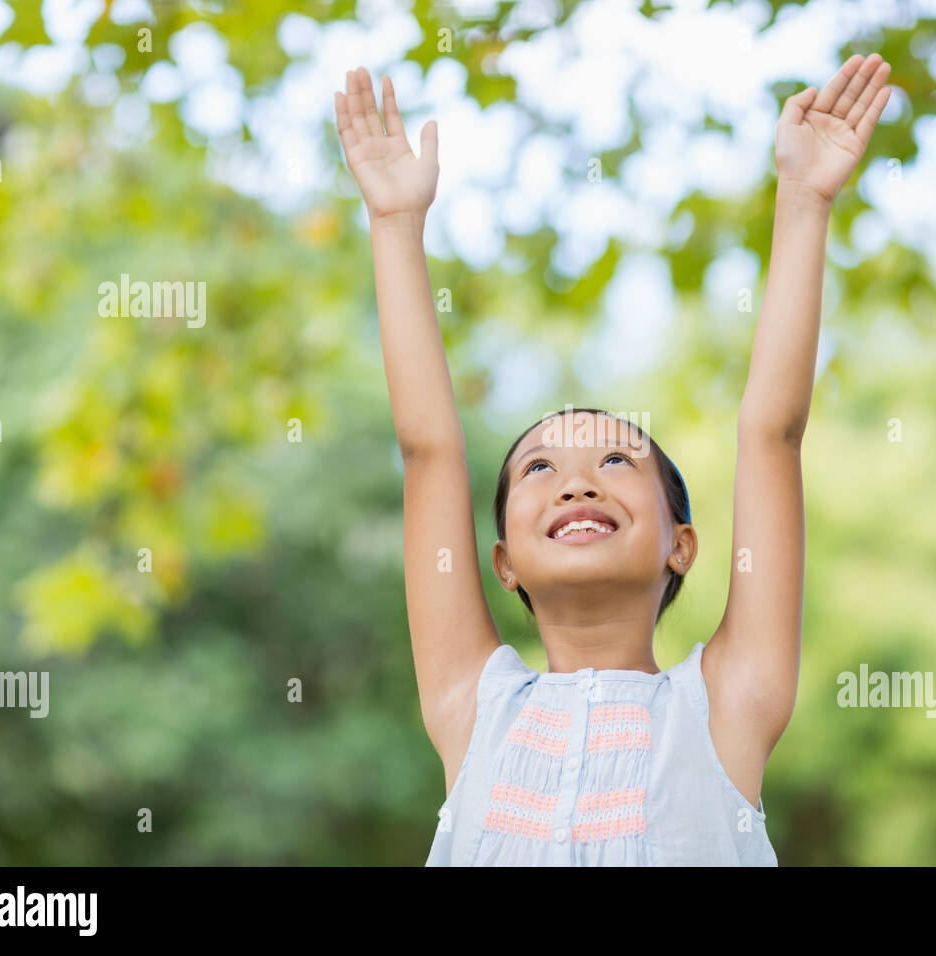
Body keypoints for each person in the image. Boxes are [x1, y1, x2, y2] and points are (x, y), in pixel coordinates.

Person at [332, 54, 893, 865]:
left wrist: (804, 200)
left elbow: (771, 431)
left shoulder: (725, 705)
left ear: (682, 542)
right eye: (538, 470)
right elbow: (428, 452)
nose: (577, 481)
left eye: (617, 461)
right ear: (502, 563)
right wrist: (392, 225)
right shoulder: (471, 706)